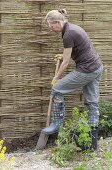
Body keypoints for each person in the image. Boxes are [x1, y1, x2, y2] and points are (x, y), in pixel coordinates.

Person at [42, 9, 103, 150]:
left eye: (51, 25)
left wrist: (56, 78)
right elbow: (76, 50)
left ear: (58, 22)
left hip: (87, 69)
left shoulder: (68, 34)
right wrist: (62, 55)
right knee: (92, 103)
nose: (50, 28)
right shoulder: (73, 28)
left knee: (57, 89)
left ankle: (56, 123)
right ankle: (92, 142)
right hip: (97, 66)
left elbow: (66, 62)